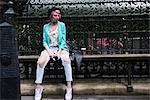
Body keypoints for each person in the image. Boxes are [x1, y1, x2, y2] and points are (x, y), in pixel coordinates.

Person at [34, 7, 73, 100]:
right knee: (40, 62)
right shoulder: (45, 27)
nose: (57, 17)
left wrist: (59, 52)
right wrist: (49, 52)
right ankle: (38, 87)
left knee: (66, 60)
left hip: (61, 48)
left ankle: (69, 87)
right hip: (49, 48)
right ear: (50, 16)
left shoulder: (62, 25)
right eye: (55, 15)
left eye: (59, 15)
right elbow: (44, 42)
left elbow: (63, 41)